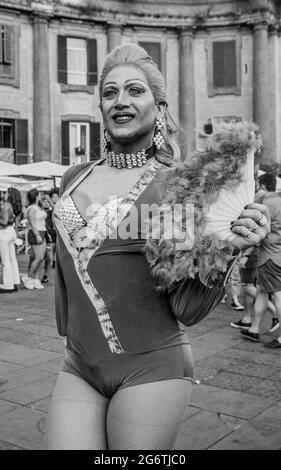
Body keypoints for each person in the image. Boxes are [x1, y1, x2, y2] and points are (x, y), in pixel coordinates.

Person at [45, 44, 270, 450]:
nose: (121, 101)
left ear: (159, 107)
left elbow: (185, 306)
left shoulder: (176, 187)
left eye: (134, 90)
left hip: (151, 370)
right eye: (110, 93)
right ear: (101, 108)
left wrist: (228, 250)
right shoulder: (73, 177)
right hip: (77, 363)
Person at [241, 172, 281, 347]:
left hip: (270, 257)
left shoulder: (269, 204)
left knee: (278, 297)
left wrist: (246, 254)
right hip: (274, 256)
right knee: (263, 293)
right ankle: (254, 329)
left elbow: (257, 234)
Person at [22, 189, 47, 290]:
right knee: (39, 257)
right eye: (39, 194)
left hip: (42, 232)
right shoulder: (32, 208)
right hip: (36, 233)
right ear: (36, 196)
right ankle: (28, 278)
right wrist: (37, 235)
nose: (41, 196)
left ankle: (34, 278)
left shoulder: (37, 207)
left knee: (34, 257)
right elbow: (32, 223)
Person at [0, 187, 22, 293]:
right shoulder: (15, 206)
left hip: (4, 232)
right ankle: (15, 281)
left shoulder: (6, 205)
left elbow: (3, 221)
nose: (4, 194)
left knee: (5, 260)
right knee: (12, 259)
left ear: (9, 195)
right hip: (11, 231)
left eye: (6, 193)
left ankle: (8, 284)